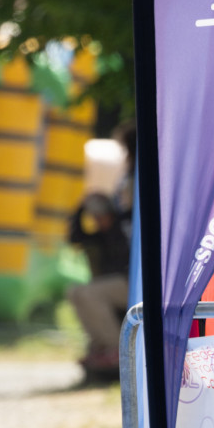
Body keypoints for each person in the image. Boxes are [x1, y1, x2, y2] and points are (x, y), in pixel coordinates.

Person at [67, 123, 135, 381]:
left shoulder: (123, 225)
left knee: (88, 293)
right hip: (116, 283)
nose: (97, 220)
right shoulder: (103, 234)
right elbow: (75, 238)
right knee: (76, 292)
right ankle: (102, 346)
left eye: (100, 215)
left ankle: (116, 349)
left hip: (129, 282)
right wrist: (81, 208)